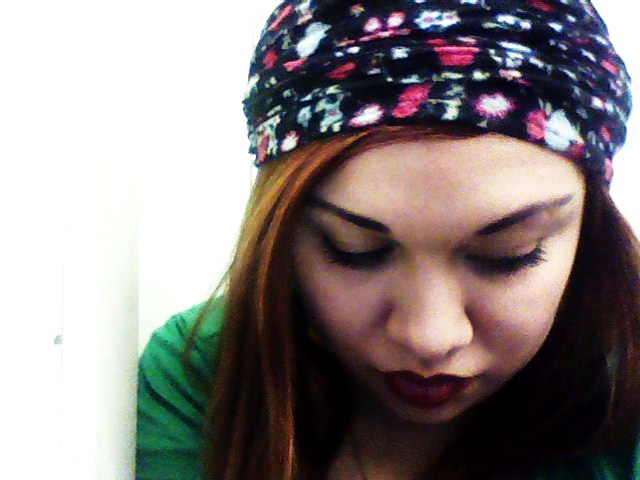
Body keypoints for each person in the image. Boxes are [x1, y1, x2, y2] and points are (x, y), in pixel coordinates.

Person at [136, 0, 640, 479]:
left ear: (589, 232)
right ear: (283, 232)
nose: (430, 338)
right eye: (353, 250)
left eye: (509, 256)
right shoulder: (204, 372)